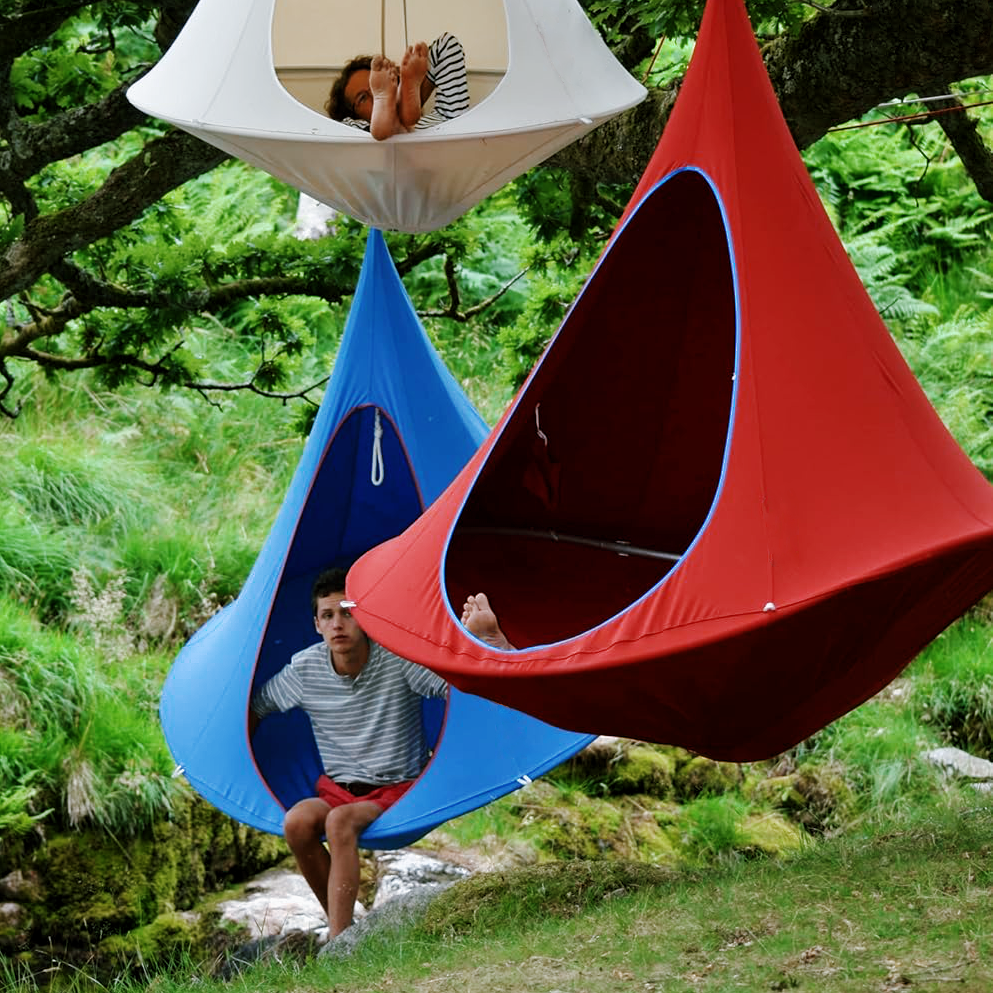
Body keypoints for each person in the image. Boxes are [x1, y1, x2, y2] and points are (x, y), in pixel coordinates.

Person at [249, 566, 447, 936]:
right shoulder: (305, 670)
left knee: (339, 823)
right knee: (297, 822)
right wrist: (238, 765)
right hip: (338, 790)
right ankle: (349, 932)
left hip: (398, 789)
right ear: (317, 624)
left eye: (348, 612)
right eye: (328, 615)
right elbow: (254, 708)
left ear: (364, 616)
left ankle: (338, 944)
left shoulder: (396, 658)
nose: (338, 623)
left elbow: (451, 688)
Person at [325, 32, 470, 140]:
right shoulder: (352, 127)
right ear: (354, 114)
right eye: (362, 98)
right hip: (381, 142)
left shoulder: (447, 117)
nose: (373, 96)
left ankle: (401, 110)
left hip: (446, 131)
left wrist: (414, 93)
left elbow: (447, 45)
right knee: (386, 131)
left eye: (376, 87)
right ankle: (393, 121)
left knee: (396, 126)